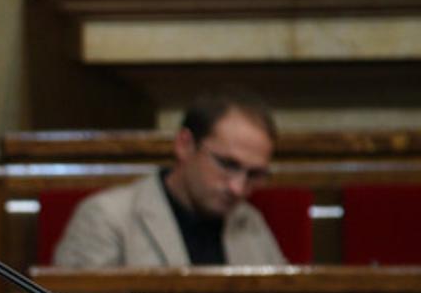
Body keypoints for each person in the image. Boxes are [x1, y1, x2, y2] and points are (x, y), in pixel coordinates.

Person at [53, 90, 286, 268]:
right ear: (185, 145)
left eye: (254, 174)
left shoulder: (249, 220)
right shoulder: (106, 218)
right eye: (227, 164)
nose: (238, 187)